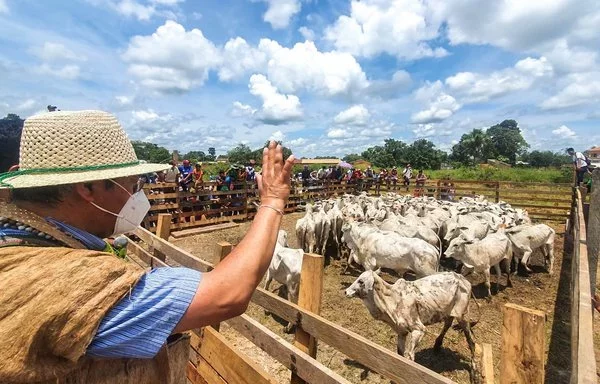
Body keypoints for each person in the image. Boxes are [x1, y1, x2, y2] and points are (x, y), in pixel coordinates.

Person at [0, 110, 294, 383]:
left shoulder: (17, 246)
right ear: (88, 189)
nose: (137, 195)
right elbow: (226, 294)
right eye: (133, 184)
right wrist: (272, 201)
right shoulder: (69, 282)